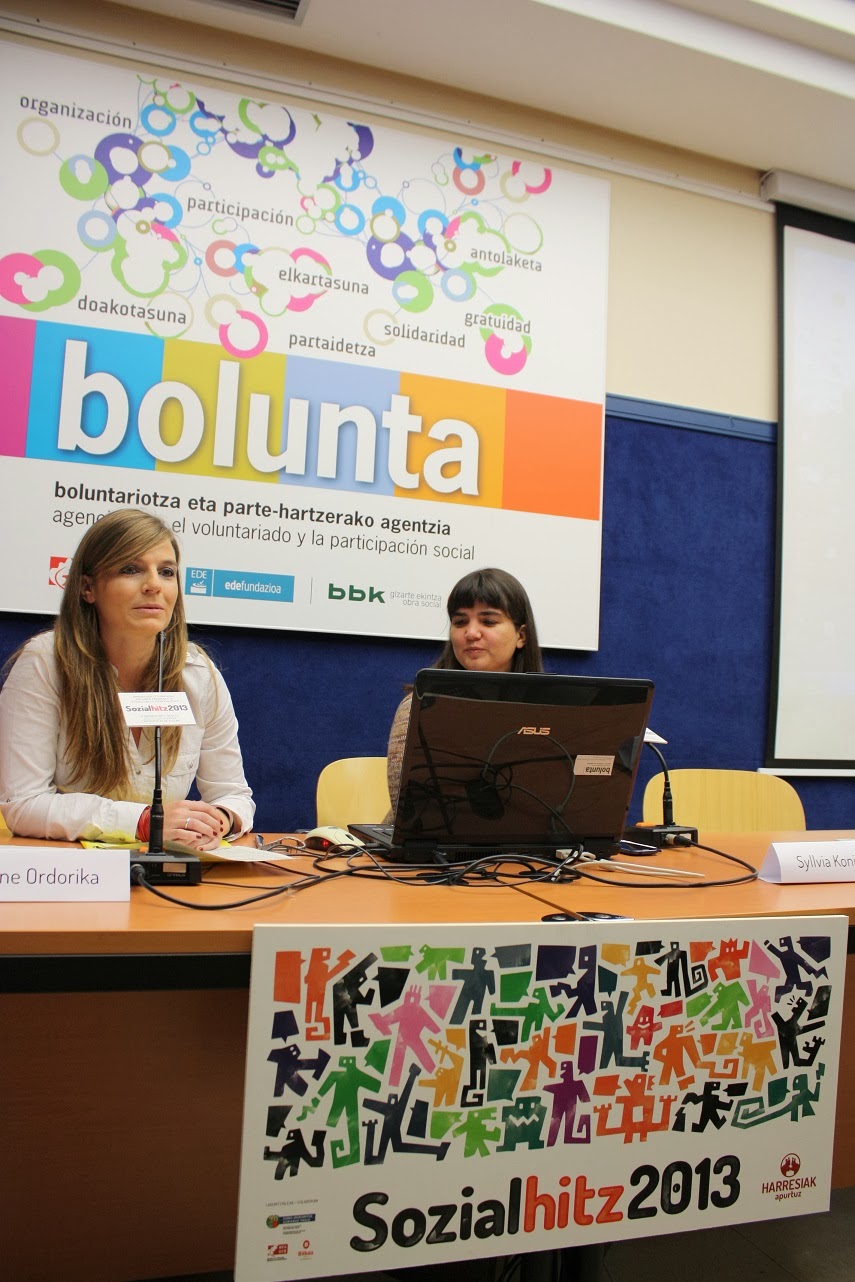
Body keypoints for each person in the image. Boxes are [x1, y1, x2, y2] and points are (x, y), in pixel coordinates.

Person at [0, 509, 254, 851]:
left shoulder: (198, 673)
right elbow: (23, 803)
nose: (154, 585)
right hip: (69, 871)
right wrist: (144, 822)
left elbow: (233, 794)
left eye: (166, 572)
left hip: (166, 869)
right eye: (131, 569)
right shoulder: (45, 662)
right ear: (88, 587)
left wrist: (218, 819)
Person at [385, 567, 543, 813]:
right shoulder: (420, 705)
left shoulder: (550, 708)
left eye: (488, 621)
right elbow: (408, 809)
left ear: (521, 636)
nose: (471, 633)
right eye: (460, 622)